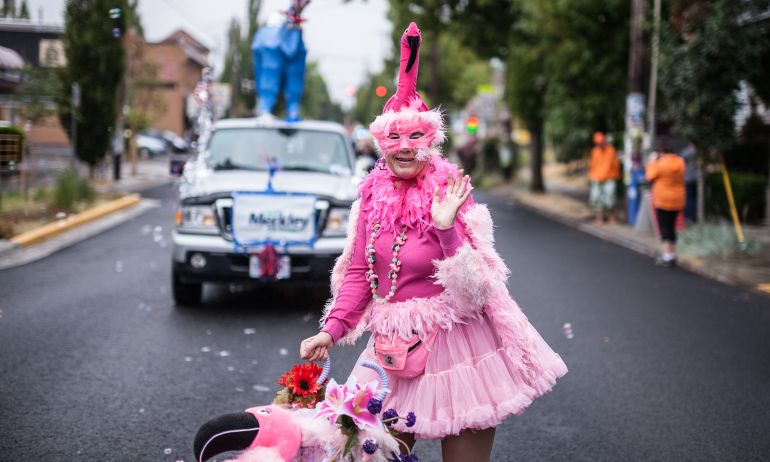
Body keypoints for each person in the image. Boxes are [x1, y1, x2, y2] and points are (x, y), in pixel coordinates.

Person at [299, 22, 567, 462]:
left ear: (430, 140)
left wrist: (445, 227)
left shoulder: (451, 193)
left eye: (415, 138)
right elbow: (360, 278)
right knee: (366, 454)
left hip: (456, 349)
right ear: (381, 143)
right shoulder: (370, 197)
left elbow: (478, 287)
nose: (404, 148)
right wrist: (330, 331)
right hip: (390, 349)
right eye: (393, 139)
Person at [645, 145, 686, 267]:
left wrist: (652, 161)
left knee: (664, 227)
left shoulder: (660, 163)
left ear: (661, 152)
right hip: (678, 199)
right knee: (672, 226)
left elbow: (650, 176)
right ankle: (673, 254)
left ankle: (666, 255)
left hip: (663, 200)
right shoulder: (680, 162)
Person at [588, 131, 621, 225]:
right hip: (596, 178)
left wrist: (616, 175)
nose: (599, 144)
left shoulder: (611, 150)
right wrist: (591, 176)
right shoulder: (595, 151)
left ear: (604, 141)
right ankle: (599, 219)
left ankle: (612, 218)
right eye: (597, 142)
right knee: (596, 199)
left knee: (610, 198)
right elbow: (592, 165)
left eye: (601, 141)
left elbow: (615, 164)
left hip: (609, 178)